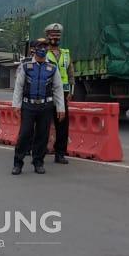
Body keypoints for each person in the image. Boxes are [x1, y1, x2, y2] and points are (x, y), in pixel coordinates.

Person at [12, 38, 65, 175]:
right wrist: (16, 105)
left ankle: (38, 162)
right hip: (28, 106)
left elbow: (58, 89)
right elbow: (19, 86)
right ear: (34, 49)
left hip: (45, 106)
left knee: (43, 135)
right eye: (40, 47)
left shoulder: (52, 67)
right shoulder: (26, 66)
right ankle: (18, 163)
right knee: (24, 134)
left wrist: (60, 108)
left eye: (45, 46)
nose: (43, 49)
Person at [44, 23, 74, 163]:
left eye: (57, 36)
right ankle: (40, 149)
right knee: (43, 123)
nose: (55, 38)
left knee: (62, 124)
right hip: (46, 92)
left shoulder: (66, 54)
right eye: (52, 36)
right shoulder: (43, 53)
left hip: (63, 92)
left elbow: (71, 74)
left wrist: (71, 92)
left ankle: (60, 153)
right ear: (47, 37)